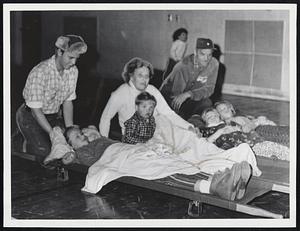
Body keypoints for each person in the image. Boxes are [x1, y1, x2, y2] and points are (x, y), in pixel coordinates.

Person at [98, 57, 263, 201]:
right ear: (130, 75)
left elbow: (169, 114)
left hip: (163, 128)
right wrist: (104, 143)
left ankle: (235, 160)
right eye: (140, 75)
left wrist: (189, 127)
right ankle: (221, 176)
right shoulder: (119, 94)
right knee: (176, 158)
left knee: (194, 141)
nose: (145, 80)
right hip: (141, 137)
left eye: (147, 76)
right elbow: (105, 119)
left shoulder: (152, 90)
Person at [16, 34, 87, 162]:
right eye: (70, 57)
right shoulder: (40, 72)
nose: (74, 62)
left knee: (67, 149)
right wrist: (53, 134)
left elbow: (68, 102)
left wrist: (70, 132)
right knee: (44, 153)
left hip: (53, 115)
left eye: (77, 58)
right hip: (31, 116)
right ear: (59, 51)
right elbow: (36, 111)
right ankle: (26, 143)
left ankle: (30, 142)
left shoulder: (73, 71)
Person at [159, 38, 219, 120]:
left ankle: (195, 120)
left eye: (209, 55)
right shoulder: (182, 66)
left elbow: (209, 89)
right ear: (195, 52)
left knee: (206, 102)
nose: (206, 59)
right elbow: (176, 96)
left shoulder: (214, 63)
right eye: (202, 54)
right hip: (169, 97)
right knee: (178, 118)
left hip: (188, 96)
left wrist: (189, 94)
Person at [197, 107, 289, 160]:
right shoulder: (207, 130)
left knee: (279, 148)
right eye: (209, 116)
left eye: (215, 115)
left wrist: (236, 128)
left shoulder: (226, 123)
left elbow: (243, 129)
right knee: (275, 150)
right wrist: (220, 131)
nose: (213, 117)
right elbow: (206, 142)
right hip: (242, 147)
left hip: (251, 140)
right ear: (205, 120)